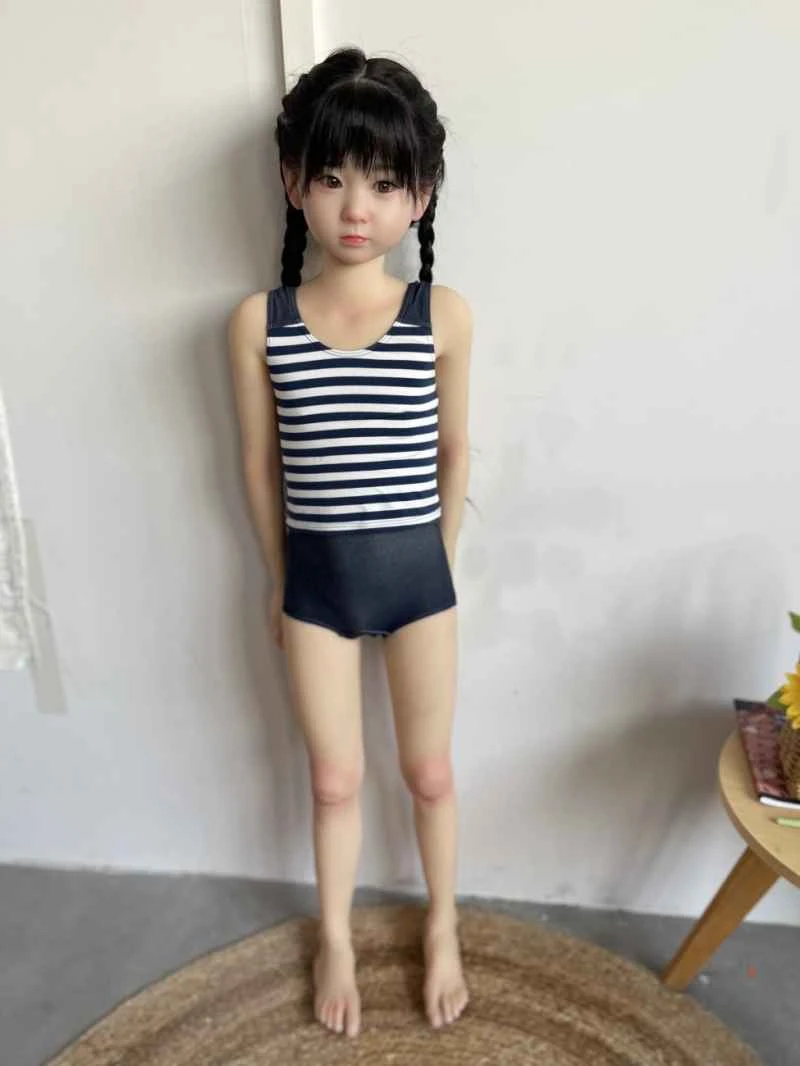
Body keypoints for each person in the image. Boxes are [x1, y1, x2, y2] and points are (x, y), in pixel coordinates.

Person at [227, 45, 472, 1038]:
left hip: (418, 582)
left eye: (382, 182)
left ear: (420, 195)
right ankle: (333, 934)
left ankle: (442, 921)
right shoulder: (261, 322)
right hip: (317, 588)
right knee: (333, 778)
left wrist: (441, 558)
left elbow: (454, 448)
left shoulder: (439, 316)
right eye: (331, 178)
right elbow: (259, 466)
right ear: (294, 183)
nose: (356, 207)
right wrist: (277, 580)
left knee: (429, 772)